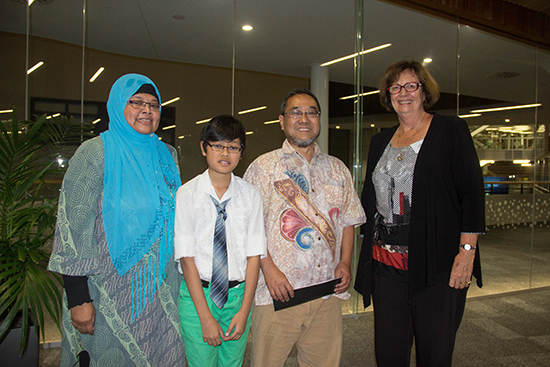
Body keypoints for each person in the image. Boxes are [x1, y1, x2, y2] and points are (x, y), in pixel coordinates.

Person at [354, 60, 485, 367]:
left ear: (424, 92)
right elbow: (370, 199)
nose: (403, 93)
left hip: (436, 266)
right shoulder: (380, 141)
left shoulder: (450, 130)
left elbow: (472, 192)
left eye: (411, 85)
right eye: (395, 87)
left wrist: (467, 252)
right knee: (389, 354)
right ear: (388, 95)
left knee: (434, 354)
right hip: (386, 268)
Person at [48, 74, 185, 366]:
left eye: (154, 105)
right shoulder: (95, 152)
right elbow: (73, 227)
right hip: (110, 292)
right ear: (117, 106)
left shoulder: (167, 154)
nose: (147, 110)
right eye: (136, 102)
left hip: (164, 291)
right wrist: (77, 296)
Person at [244, 88, 366, 367]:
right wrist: (268, 268)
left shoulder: (338, 169)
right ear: (281, 120)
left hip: (326, 294)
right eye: (295, 112)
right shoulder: (263, 167)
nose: (304, 118)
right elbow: (248, 228)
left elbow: (349, 219)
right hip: (278, 293)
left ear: (319, 119)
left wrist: (346, 263)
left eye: (312, 112)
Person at [174, 115, 266, 367]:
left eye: (233, 147)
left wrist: (245, 311)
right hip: (197, 298)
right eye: (217, 145)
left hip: (238, 297)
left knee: (232, 363)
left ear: (241, 152)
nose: (225, 152)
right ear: (204, 147)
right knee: (201, 363)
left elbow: (254, 256)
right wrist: (205, 317)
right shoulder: (187, 194)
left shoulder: (251, 195)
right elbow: (186, 257)